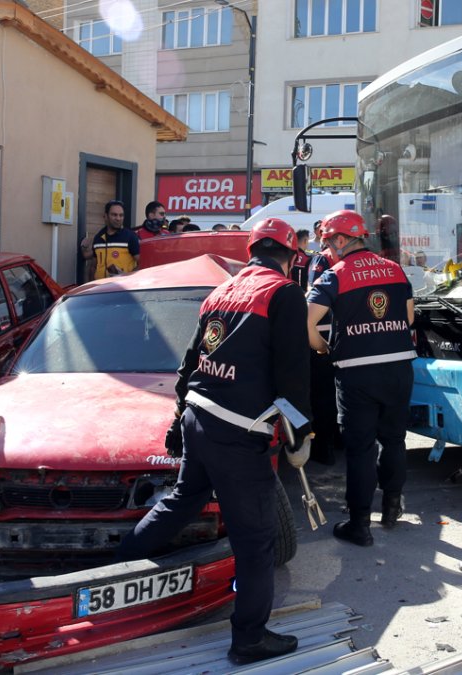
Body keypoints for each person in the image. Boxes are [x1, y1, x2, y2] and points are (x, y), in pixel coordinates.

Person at [114, 218, 311, 665]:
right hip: (238, 434)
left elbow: (191, 362)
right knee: (256, 539)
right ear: (290, 256)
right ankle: (249, 638)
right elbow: (293, 376)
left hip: (198, 419)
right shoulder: (283, 293)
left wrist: (177, 420)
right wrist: (302, 433)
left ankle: (119, 565)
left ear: (250, 250)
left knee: (182, 499)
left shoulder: (220, 292)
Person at [307, 210, 415, 546]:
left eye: (328, 243)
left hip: (357, 373)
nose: (329, 250)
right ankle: (393, 508)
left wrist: (323, 349)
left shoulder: (334, 276)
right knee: (395, 441)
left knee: (360, 449)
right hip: (399, 368)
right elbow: (410, 317)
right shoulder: (395, 269)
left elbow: (306, 322)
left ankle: (359, 524)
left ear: (341, 240)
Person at [306, 220, 339, 465]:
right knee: (324, 395)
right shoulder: (322, 260)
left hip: (343, 336)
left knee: (339, 394)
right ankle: (322, 445)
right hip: (322, 337)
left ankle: (335, 438)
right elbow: (313, 295)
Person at [81, 200, 140, 280]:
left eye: (121, 215)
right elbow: (93, 267)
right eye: (114, 215)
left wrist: (127, 278)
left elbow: (142, 264)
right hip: (101, 289)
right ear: (105, 216)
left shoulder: (130, 237)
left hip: (121, 288)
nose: (118, 218)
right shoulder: (98, 237)